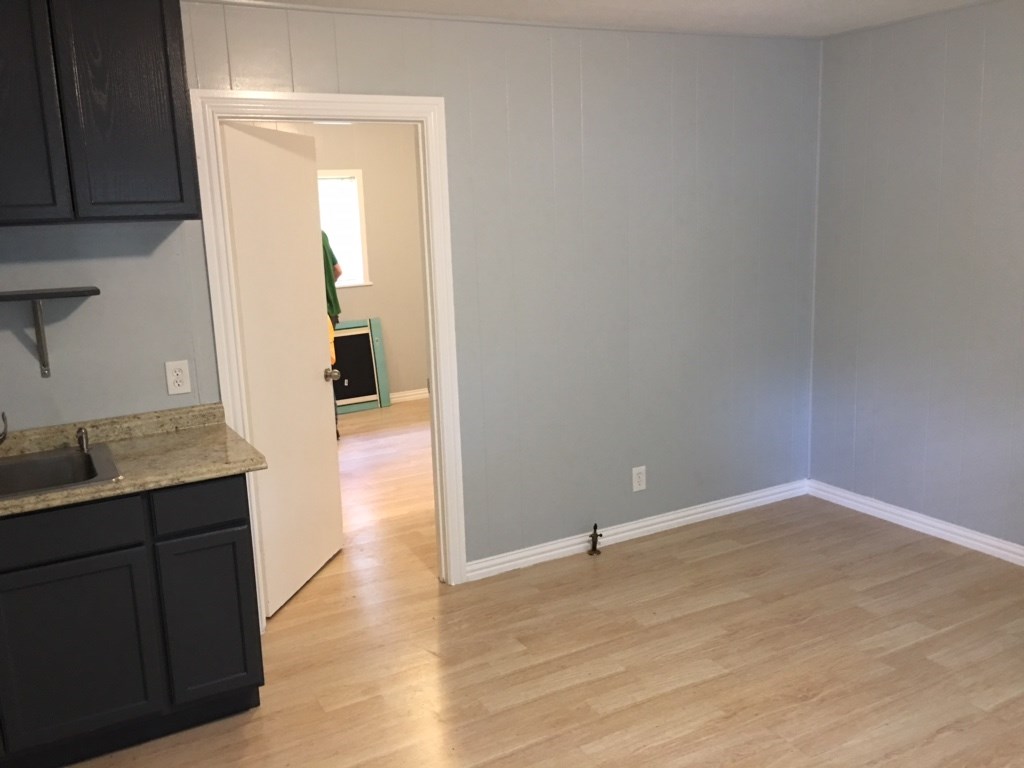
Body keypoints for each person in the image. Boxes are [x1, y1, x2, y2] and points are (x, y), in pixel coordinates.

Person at [322, 231, 341, 324]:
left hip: (317, 309)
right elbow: (338, 270)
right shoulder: (322, 235)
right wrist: (328, 284)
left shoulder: (306, 239)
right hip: (331, 308)